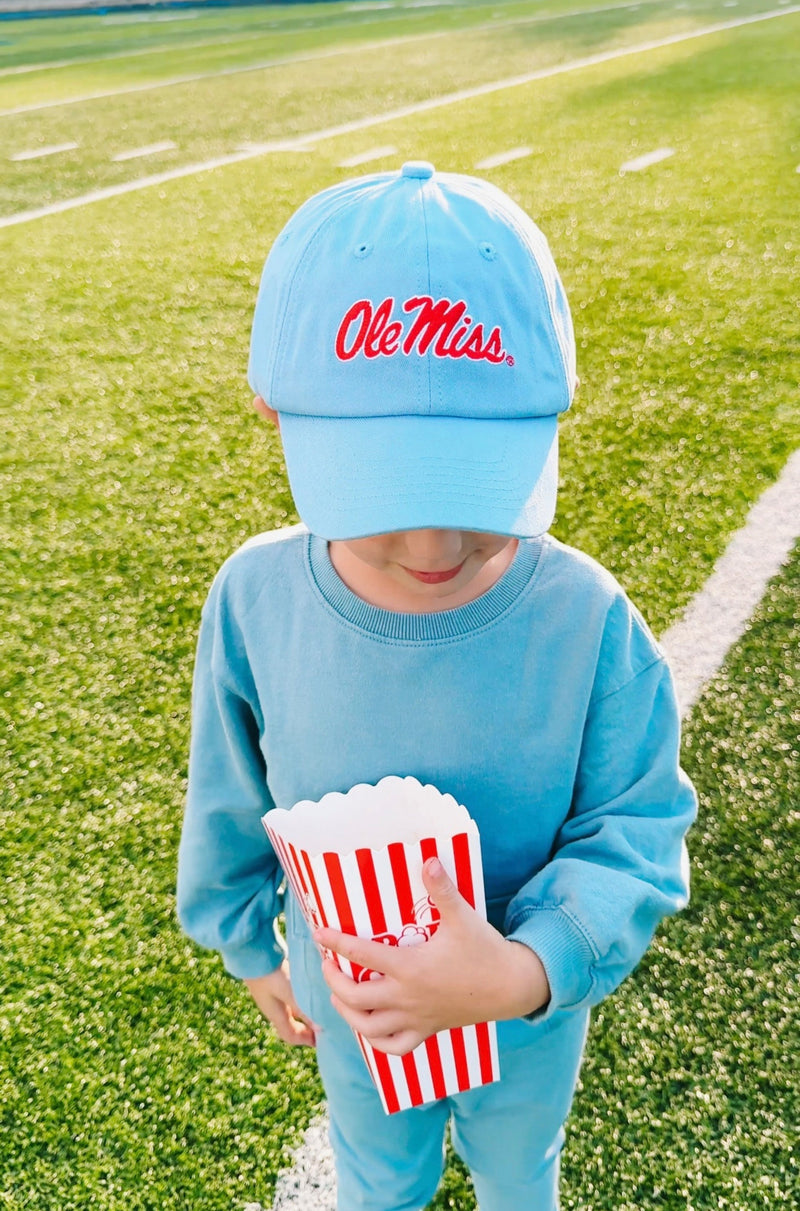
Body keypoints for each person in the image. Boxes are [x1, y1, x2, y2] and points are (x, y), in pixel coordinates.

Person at [176, 161, 696, 1211]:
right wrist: (243, 942)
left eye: (471, 481)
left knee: (516, 1174)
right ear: (275, 412)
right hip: (353, 1009)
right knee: (378, 1180)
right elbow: (229, 790)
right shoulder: (254, 598)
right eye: (382, 487)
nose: (433, 541)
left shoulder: (585, 618)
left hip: (527, 1019)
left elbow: (633, 827)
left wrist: (516, 974)